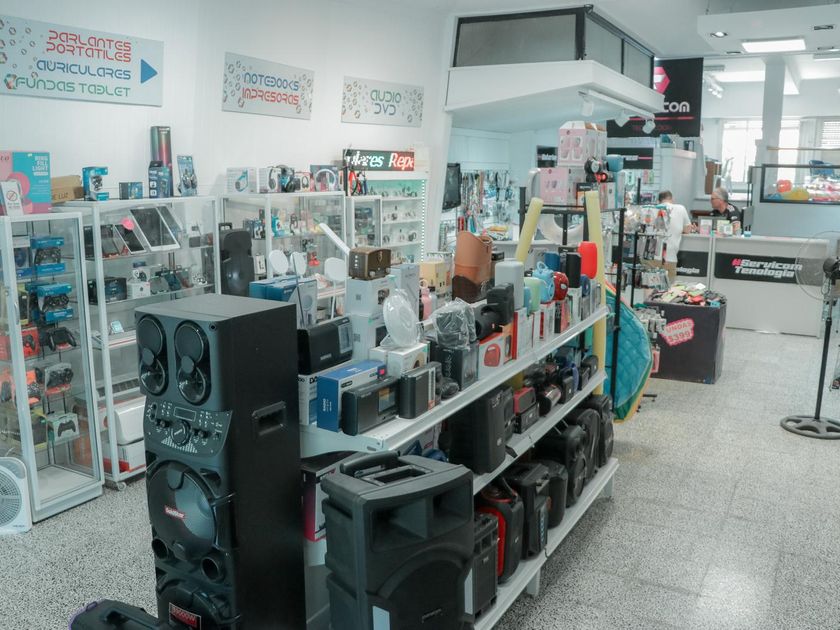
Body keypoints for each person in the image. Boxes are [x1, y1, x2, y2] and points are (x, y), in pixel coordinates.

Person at [657, 190, 693, 282]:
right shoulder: (681, 208)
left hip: (651, 255)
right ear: (672, 199)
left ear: (658, 201)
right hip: (670, 256)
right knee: (668, 286)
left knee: (649, 285)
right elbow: (687, 229)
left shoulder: (653, 208)